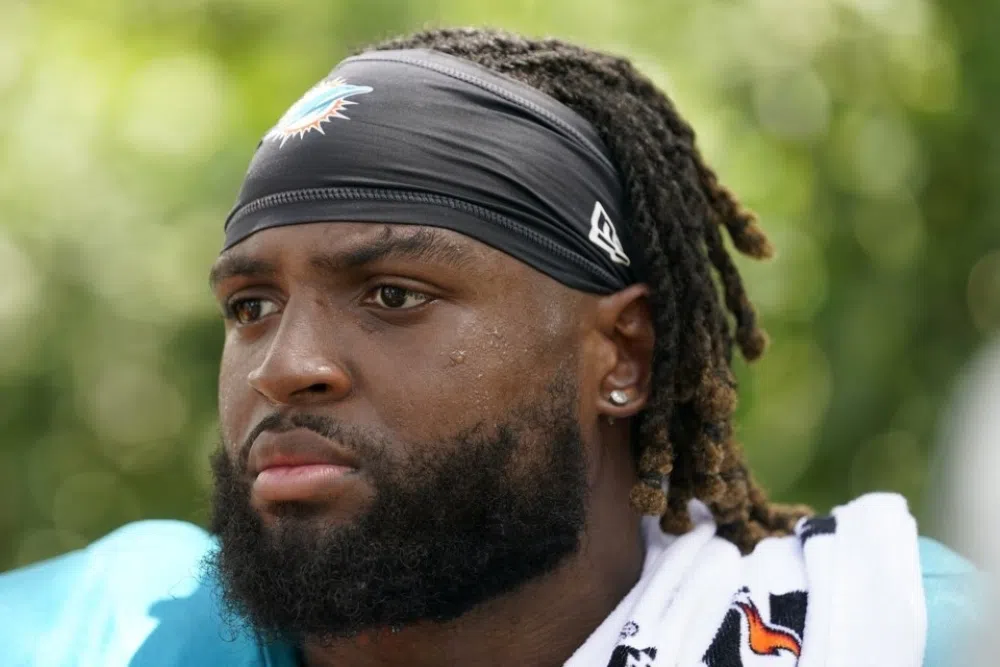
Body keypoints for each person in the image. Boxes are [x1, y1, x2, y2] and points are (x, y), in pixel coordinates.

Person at [0, 28, 982, 667]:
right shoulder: (103, 633)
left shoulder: (878, 629)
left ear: (622, 356)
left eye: (392, 294)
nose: (284, 365)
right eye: (251, 305)